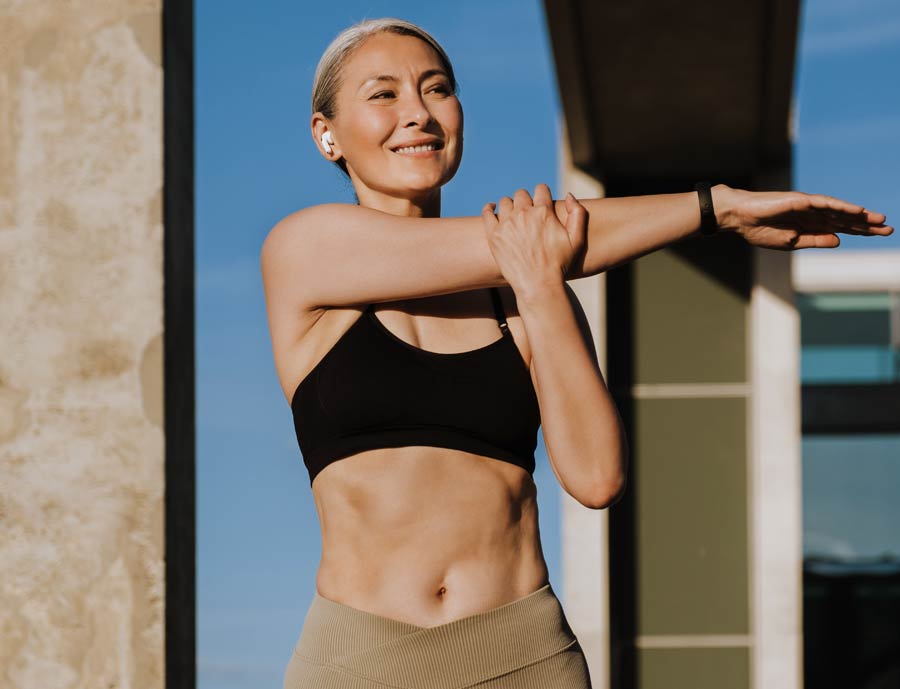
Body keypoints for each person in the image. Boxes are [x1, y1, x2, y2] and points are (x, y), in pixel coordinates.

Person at [261, 17, 893, 689]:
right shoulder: (305, 253)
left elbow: (596, 477)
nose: (416, 113)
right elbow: (522, 241)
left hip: (524, 655)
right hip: (360, 660)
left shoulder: (524, 291)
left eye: (436, 88)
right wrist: (715, 208)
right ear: (325, 133)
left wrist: (540, 282)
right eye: (383, 94)